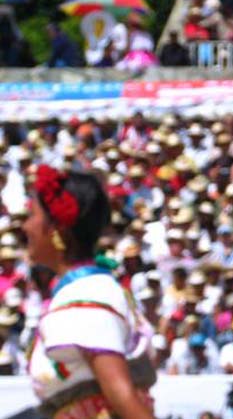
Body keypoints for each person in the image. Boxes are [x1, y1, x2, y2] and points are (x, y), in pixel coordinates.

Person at [22, 165, 156, 417]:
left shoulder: (87, 294)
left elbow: (123, 396)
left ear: (56, 229)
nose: (26, 226)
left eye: (33, 215)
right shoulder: (87, 290)